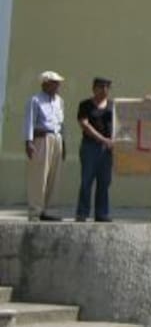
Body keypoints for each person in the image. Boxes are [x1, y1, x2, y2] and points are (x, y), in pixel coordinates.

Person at [25, 70, 66, 222]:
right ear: (45, 84)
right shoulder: (35, 100)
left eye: (58, 83)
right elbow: (29, 122)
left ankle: (49, 210)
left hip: (57, 138)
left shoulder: (60, 101)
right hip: (42, 139)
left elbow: (62, 123)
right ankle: (35, 211)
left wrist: (64, 143)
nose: (58, 85)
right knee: (39, 176)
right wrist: (28, 141)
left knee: (54, 176)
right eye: (55, 83)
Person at [76, 76, 115, 223]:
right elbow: (85, 125)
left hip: (107, 150)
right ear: (94, 88)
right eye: (101, 87)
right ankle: (82, 213)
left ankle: (102, 213)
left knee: (104, 182)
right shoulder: (85, 105)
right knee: (87, 181)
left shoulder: (112, 106)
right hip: (90, 147)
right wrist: (103, 139)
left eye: (107, 87)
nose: (104, 90)